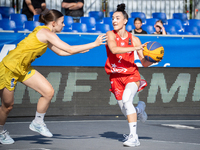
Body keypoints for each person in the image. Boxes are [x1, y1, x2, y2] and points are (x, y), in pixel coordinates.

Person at [0, 9, 106, 145]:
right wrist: (94, 44)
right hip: (9, 68)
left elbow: (61, 52)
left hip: (23, 68)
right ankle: (1, 131)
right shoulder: (45, 32)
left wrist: (79, 50)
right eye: (62, 22)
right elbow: (70, 49)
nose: (64, 25)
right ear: (54, 23)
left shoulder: (46, 35)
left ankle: (38, 122)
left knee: (48, 92)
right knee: (8, 106)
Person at [105, 3, 153, 147]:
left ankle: (134, 137)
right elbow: (113, 49)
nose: (114, 20)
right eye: (113, 18)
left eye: (117, 18)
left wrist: (153, 59)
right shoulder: (110, 34)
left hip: (131, 75)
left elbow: (144, 63)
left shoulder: (135, 39)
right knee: (127, 111)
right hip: (115, 77)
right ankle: (139, 109)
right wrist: (135, 48)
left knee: (127, 99)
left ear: (125, 21)